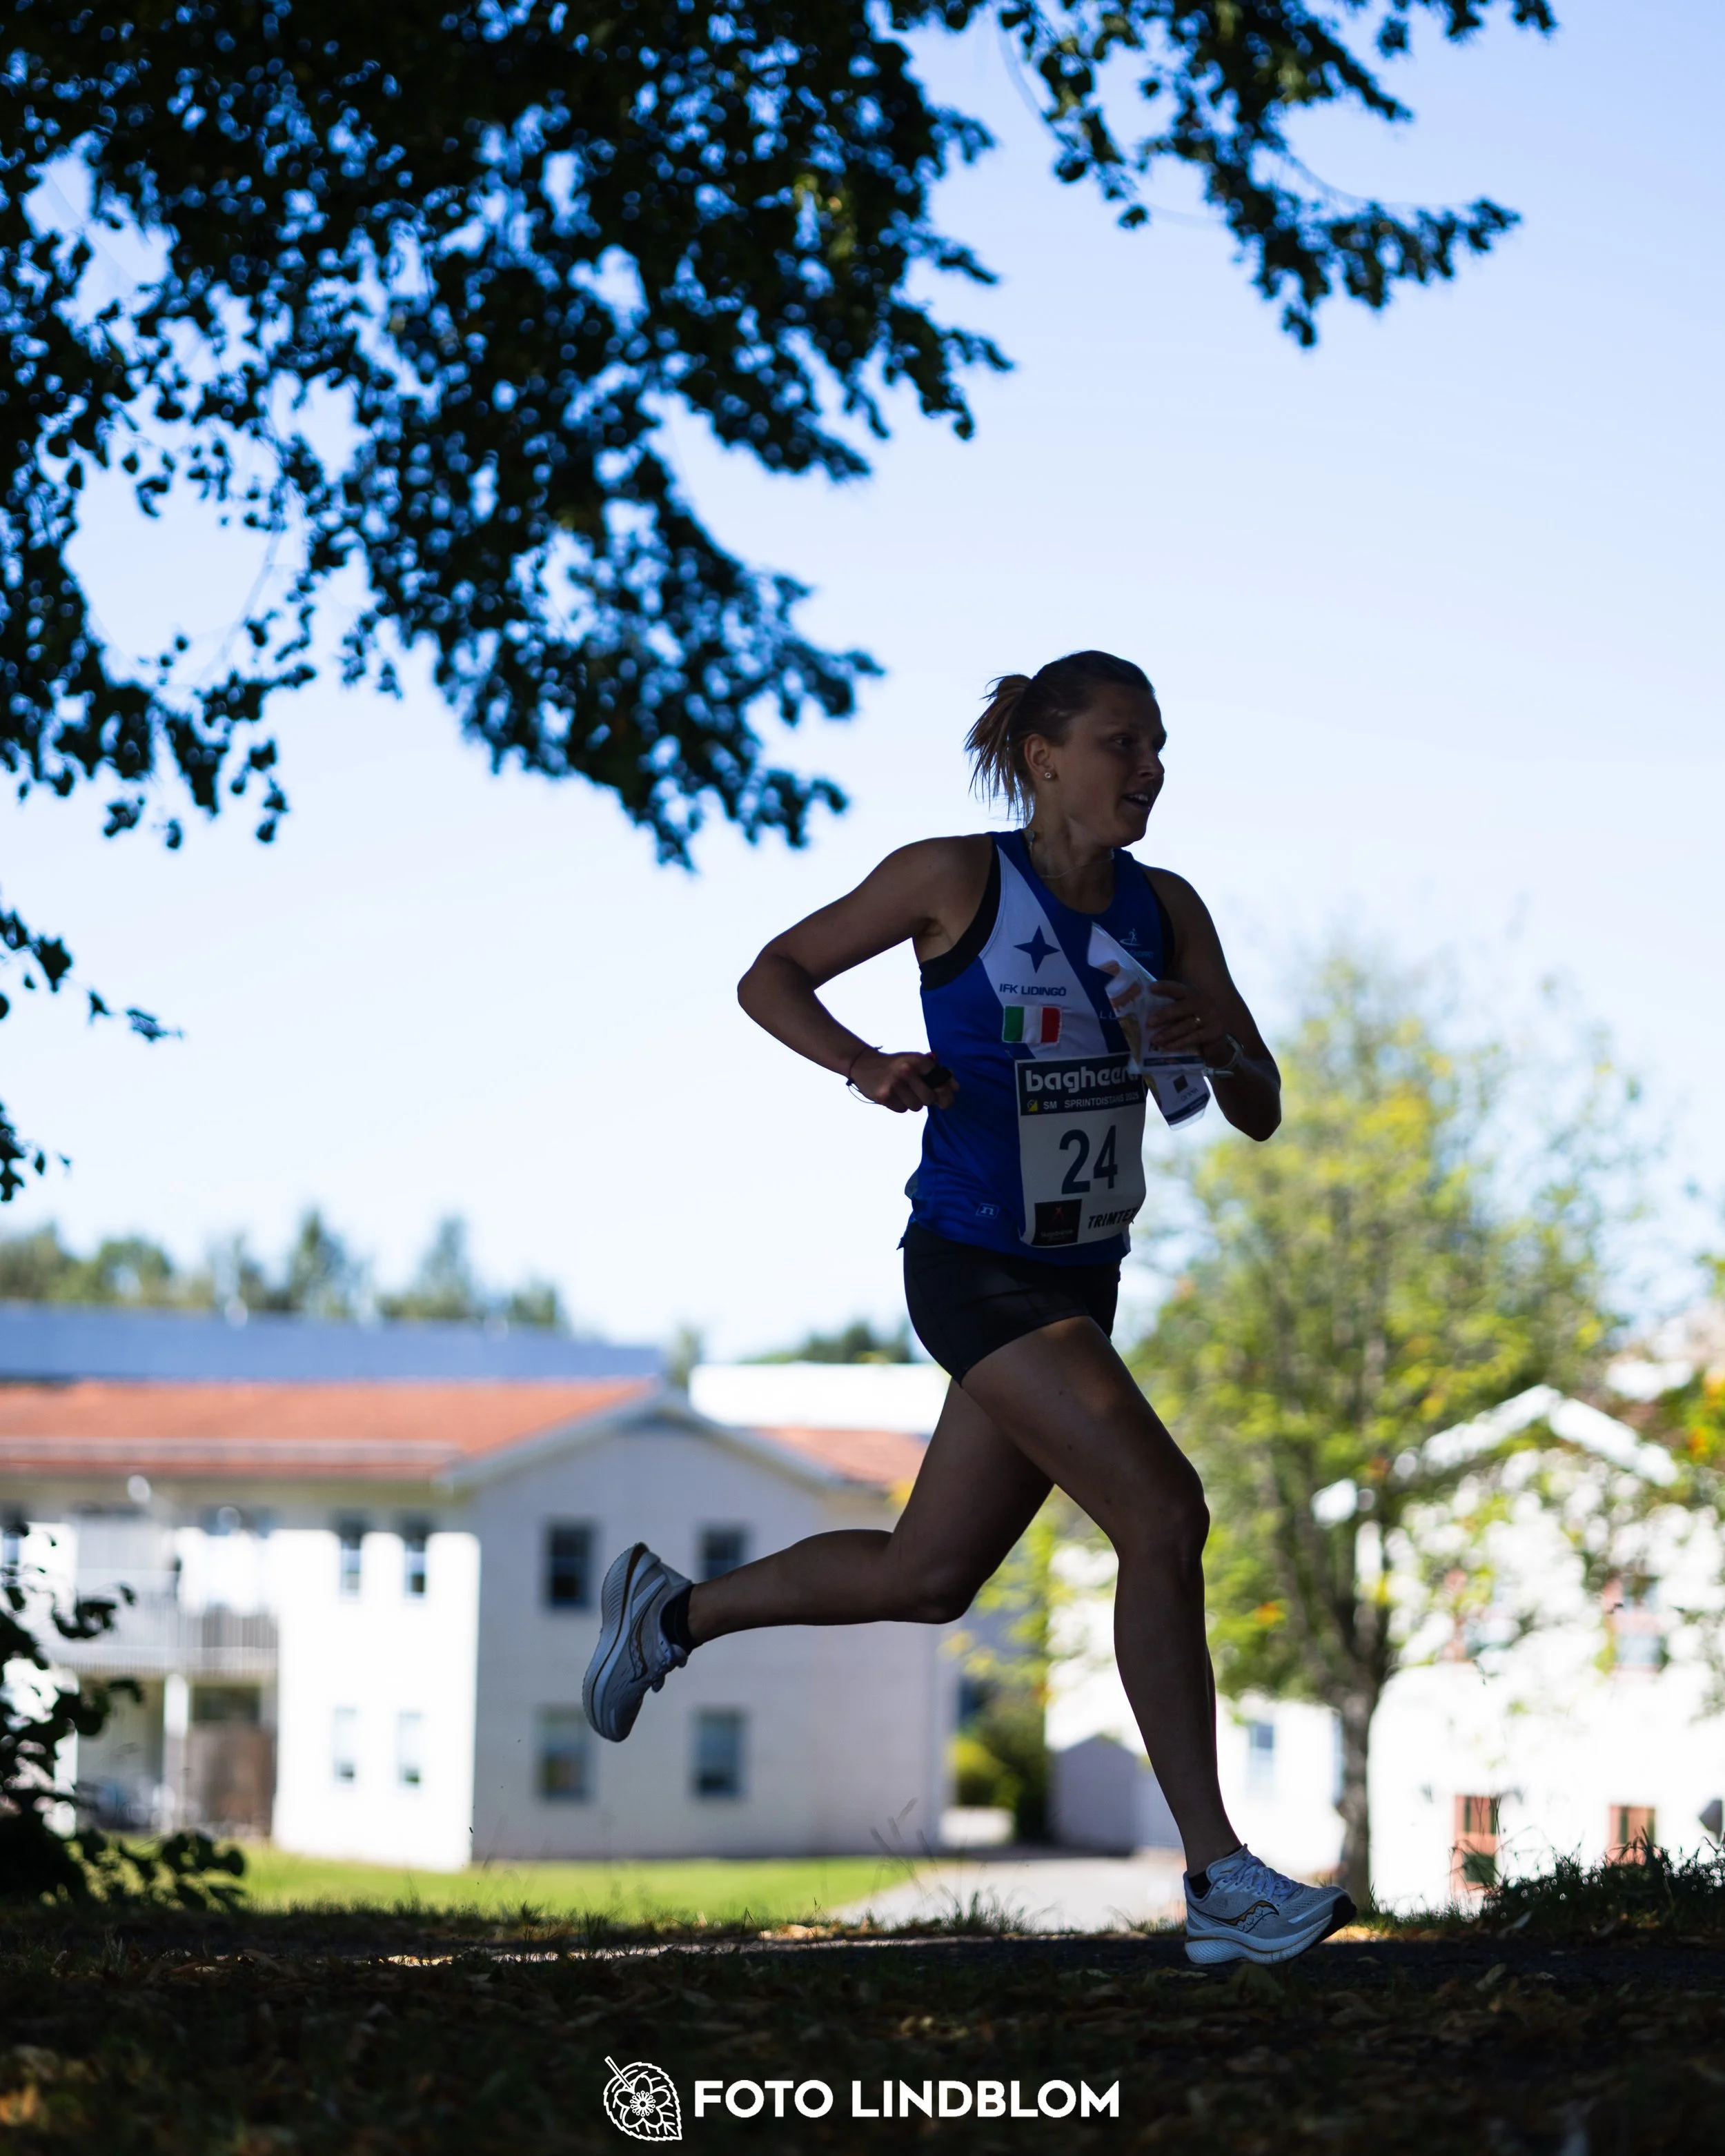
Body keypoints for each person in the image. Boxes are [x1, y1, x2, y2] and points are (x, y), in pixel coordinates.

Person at [583, 649, 1354, 1966]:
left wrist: (1216, 1039)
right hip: (972, 1267)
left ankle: (670, 1613)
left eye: (1160, 747)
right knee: (1164, 1515)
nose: (1151, 769)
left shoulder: (1168, 909)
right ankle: (1219, 1879)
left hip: (1082, 1278)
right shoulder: (953, 878)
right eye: (1123, 743)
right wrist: (865, 1065)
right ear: (1045, 759)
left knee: (929, 1576)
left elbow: (1261, 1106)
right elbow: (771, 974)